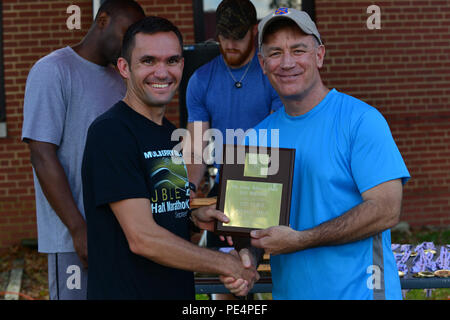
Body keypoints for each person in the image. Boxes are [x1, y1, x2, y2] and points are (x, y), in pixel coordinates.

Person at [224, 8, 411, 300]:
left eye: (299, 50)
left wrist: (301, 240)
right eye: (275, 53)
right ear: (262, 63)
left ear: (319, 55)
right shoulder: (256, 138)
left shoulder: (361, 120)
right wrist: (246, 258)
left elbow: (386, 210)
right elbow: (255, 226)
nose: (287, 63)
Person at [81, 16, 259, 300]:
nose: (162, 72)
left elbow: (165, 210)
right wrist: (226, 263)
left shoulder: (170, 134)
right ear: (124, 67)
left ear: (182, 65)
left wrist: (193, 217)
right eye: (148, 61)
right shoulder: (111, 133)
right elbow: (143, 238)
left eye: (172, 60)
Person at [21, 0, 145, 300]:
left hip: (124, 236)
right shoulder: (52, 70)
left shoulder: (122, 78)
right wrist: (78, 229)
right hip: (74, 240)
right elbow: (41, 154)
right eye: (125, 33)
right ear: (102, 20)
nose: (129, 45)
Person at [185, 0, 282, 249]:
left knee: (270, 270)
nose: (229, 44)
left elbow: (273, 143)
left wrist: (242, 204)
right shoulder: (200, 80)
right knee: (225, 273)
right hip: (225, 184)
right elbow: (197, 147)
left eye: (237, 36)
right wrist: (191, 187)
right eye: (224, 36)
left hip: (268, 180)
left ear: (254, 30)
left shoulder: (273, 75)